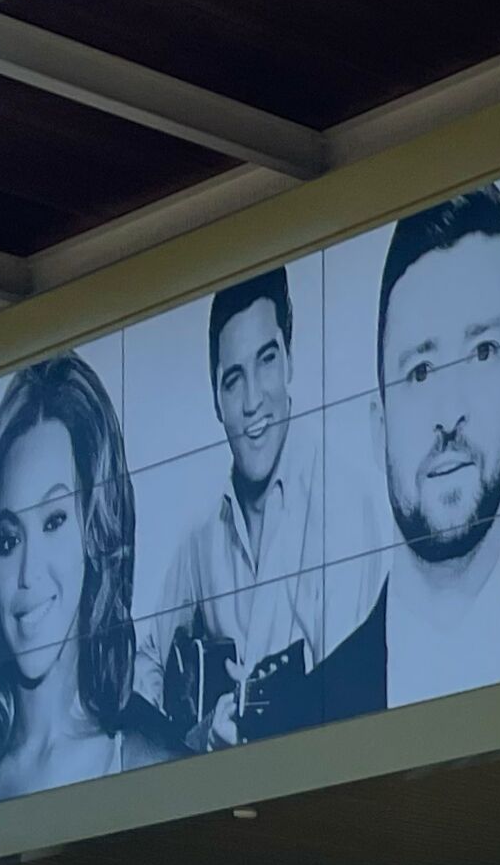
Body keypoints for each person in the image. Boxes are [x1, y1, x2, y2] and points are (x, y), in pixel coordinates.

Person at [313, 184, 500, 714]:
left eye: (482, 352)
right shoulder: (300, 718)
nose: (448, 411)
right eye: (420, 370)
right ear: (379, 423)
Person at [0, 355, 169, 814]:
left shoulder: (153, 766)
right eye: (8, 538)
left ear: (94, 533)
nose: (28, 573)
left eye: (55, 521)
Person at [144, 269, 351, 751]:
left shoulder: (345, 508)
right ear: (217, 401)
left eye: (267, 361)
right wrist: (188, 743)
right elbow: (145, 662)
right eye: (233, 381)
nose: (253, 400)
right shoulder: (199, 538)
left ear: (290, 362)